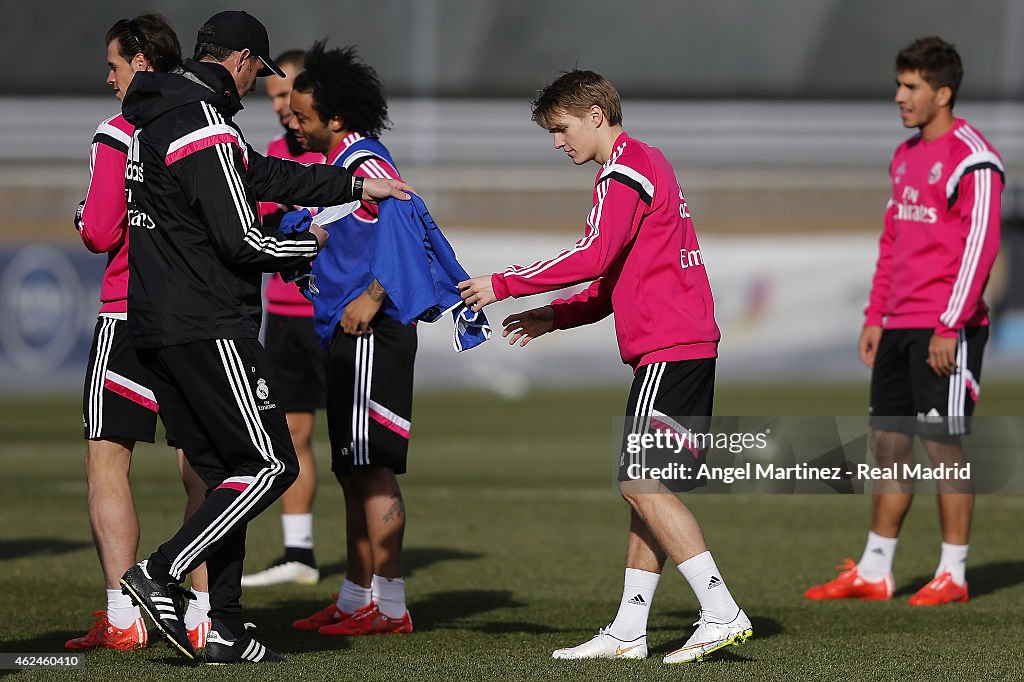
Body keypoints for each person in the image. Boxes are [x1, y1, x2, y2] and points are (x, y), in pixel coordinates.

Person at [117, 12, 411, 664]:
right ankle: (161, 570)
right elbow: (241, 238)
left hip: (160, 324)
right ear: (244, 60)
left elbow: (267, 176)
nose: (258, 88)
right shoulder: (202, 122)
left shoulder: (159, 115)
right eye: (260, 73)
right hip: (207, 322)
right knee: (272, 462)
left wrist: (356, 185)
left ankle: (223, 626)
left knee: (224, 470)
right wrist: (309, 244)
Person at [458, 69, 751, 664]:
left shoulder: (625, 169)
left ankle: (720, 609)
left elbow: (593, 256)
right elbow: (612, 279)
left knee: (640, 483)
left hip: (671, 349)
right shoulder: (640, 164)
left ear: (596, 115)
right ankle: (628, 630)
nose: (557, 142)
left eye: (561, 128)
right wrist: (551, 317)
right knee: (649, 489)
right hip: (682, 345)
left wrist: (505, 283)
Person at [806, 37, 1003, 606]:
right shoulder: (904, 155)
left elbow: (980, 250)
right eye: (899, 84)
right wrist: (876, 315)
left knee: (943, 445)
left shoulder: (975, 159)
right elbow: (892, 242)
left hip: (948, 327)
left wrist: (949, 325)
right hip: (898, 325)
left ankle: (953, 574)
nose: (899, 96)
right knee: (888, 444)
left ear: (942, 93)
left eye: (911, 86)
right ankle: (875, 570)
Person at [68, 13, 211, 652]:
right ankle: (203, 613)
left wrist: (82, 215)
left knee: (108, 459)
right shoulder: (206, 124)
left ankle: (123, 618)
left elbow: (99, 231)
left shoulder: (118, 132)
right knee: (205, 464)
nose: (109, 77)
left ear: (141, 66)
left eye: (115, 65)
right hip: (191, 316)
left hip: (128, 312)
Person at [287, 41, 415, 637]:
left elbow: (409, 227)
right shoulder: (339, 167)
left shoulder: (368, 164)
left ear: (335, 117)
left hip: (372, 332)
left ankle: (390, 607)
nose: (295, 121)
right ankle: (355, 598)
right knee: (351, 468)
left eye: (304, 114)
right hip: (341, 333)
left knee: (373, 470)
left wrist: (375, 294)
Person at [242, 49, 326, 588]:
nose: (279, 108)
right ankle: (300, 552)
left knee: (353, 445)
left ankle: (371, 583)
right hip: (283, 313)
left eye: (285, 96)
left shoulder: (342, 153)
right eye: (273, 98)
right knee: (291, 432)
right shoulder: (269, 155)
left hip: (334, 316)